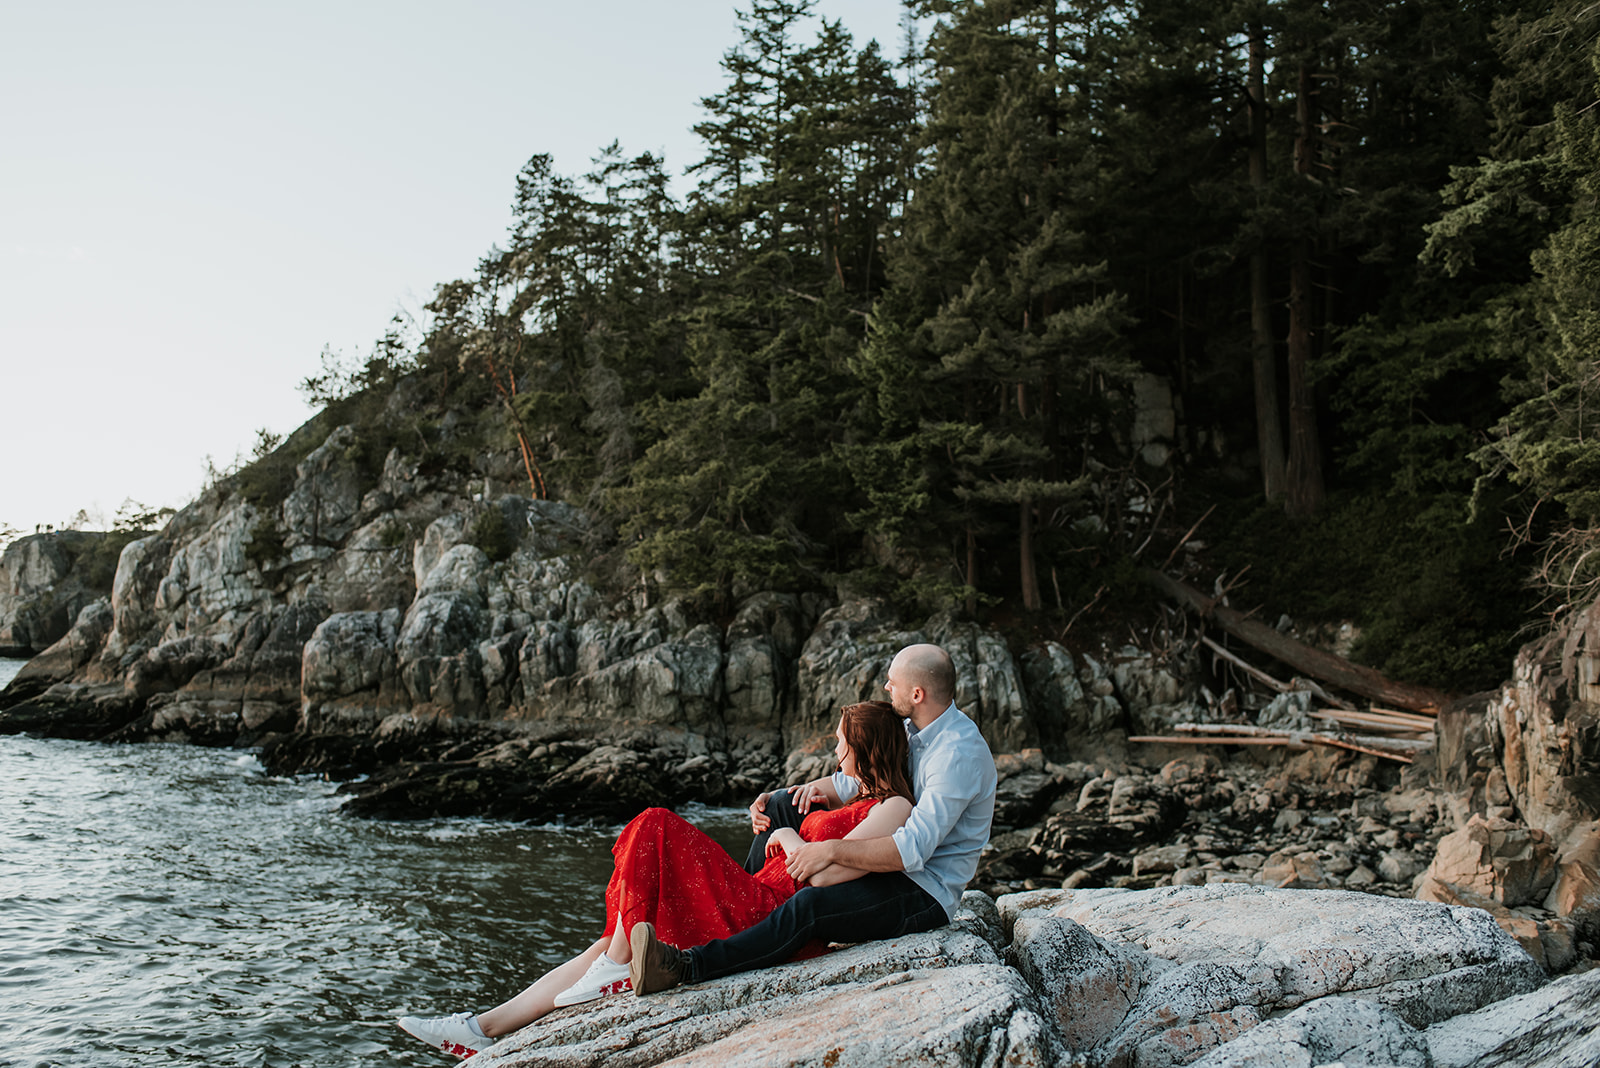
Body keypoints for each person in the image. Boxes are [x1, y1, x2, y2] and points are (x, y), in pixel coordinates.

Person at [396, 700, 916, 1059]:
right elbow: (821, 808)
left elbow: (836, 871)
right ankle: (481, 1029)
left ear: (866, 750)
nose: (836, 754)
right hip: (760, 887)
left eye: (843, 745)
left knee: (656, 824)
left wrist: (792, 838)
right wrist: (778, 811)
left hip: (769, 909)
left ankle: (616, 966)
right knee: (611, 934)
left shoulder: (894, 806)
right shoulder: (850, 795)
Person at [628, 642, 997, 997]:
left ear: (917, 694)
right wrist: (782, 795)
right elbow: (853, 778)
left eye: (892, 681)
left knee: (811, 906)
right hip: (893, 860)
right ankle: (745, 907)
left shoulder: (956, 755)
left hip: (920, 890)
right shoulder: (912, 728)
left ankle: (687, 967)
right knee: (781, 807)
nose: (886, 687)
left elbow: (911, 850)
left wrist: (830, 851)